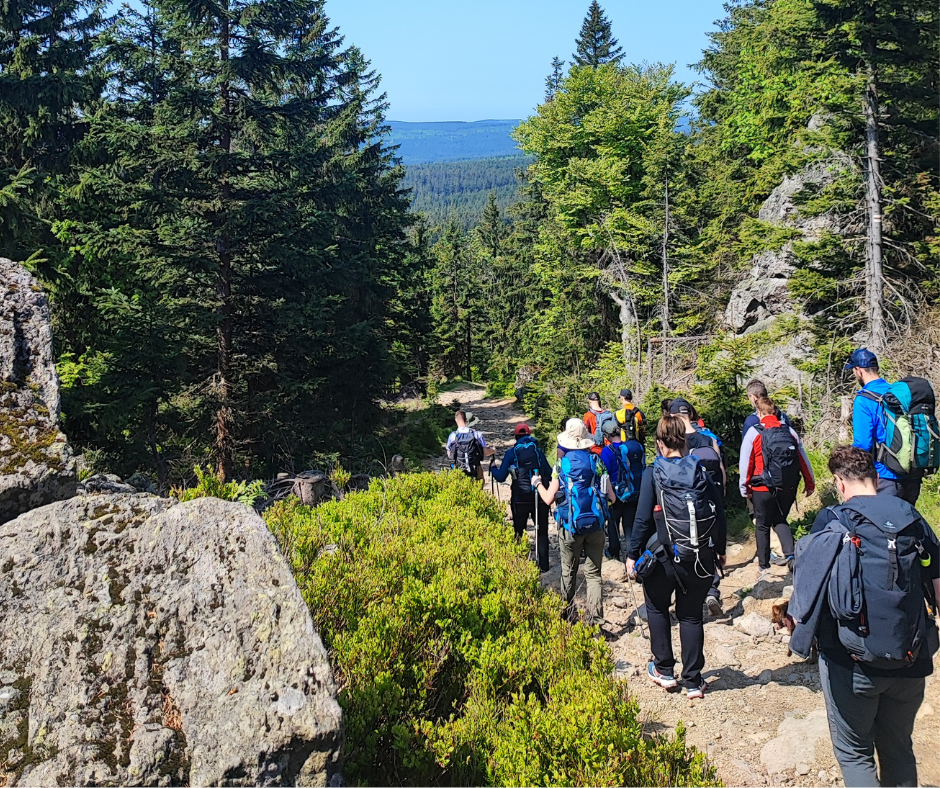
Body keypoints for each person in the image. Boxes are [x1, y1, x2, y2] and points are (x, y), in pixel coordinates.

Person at [789, 446, 940, 788]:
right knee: (899, 749)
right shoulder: (911, 517)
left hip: (851, 663)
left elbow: (810, 584)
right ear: (874, 477)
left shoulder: (833, 519)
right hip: (911, 658)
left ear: (840, 483)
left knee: (855, 753)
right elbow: (937, 576)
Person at [626, 416, 727, 699]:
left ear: (659, 444)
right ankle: (693, 680)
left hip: (662, 557)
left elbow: (643, 519)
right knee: (691, 616)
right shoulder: (700, 470)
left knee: (657, 609)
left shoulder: (653, 473)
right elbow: (718, 512)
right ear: (684, 441)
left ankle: (664, 670)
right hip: (698, 555)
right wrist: (719, 550)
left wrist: (632, 554)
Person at [534, 418, 615, 629]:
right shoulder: (596, 461)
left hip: (570, 525)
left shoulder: (560, 465)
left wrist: (537, 485)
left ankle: (567, 616)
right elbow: (612, 497)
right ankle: (596, 621)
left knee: (568, 571)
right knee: (594, 574)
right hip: (596, 524)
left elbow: (548, 499)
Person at [847, 348, 922, 504]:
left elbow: (862, 444)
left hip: (885, 476)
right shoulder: (898, 393)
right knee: (907, 524)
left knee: (883, 526)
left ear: (858, 370)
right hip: (912, 474)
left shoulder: (864, 399)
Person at [492, 423, 553, 571]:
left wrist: (493, 467)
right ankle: (544, 566)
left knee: (519, 531)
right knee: (542, 532)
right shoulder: (538, 451)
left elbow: (500, 477)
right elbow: (550, 473)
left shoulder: (512, 452)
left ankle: (520, 566)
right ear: (529, 435)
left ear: (516, 437)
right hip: (539, 497)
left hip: (519, 499)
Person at [599, 418, 645, 562]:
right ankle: (633, 556)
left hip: (615, 494)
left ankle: (614, 553)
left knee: (613, 524)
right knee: (629, 526)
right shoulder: (629, 448)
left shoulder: (606, 451)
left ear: (606, 436)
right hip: (632, 492)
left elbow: (604, 474)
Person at [669, 398, 726, 489]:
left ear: (672, 417)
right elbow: (721, 469)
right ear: (691, 414)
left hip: (686, 497)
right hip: (710, 495)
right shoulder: (710, 440)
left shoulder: (673, 442)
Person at [445, 410, 494, 479]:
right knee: (480, 481)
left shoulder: (452, 436)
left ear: (456, 420)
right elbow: (486, 453)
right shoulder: (477, 434)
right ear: (466, 420)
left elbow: (450, 454)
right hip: (475, 468)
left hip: (459, 469)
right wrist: (493, 450)